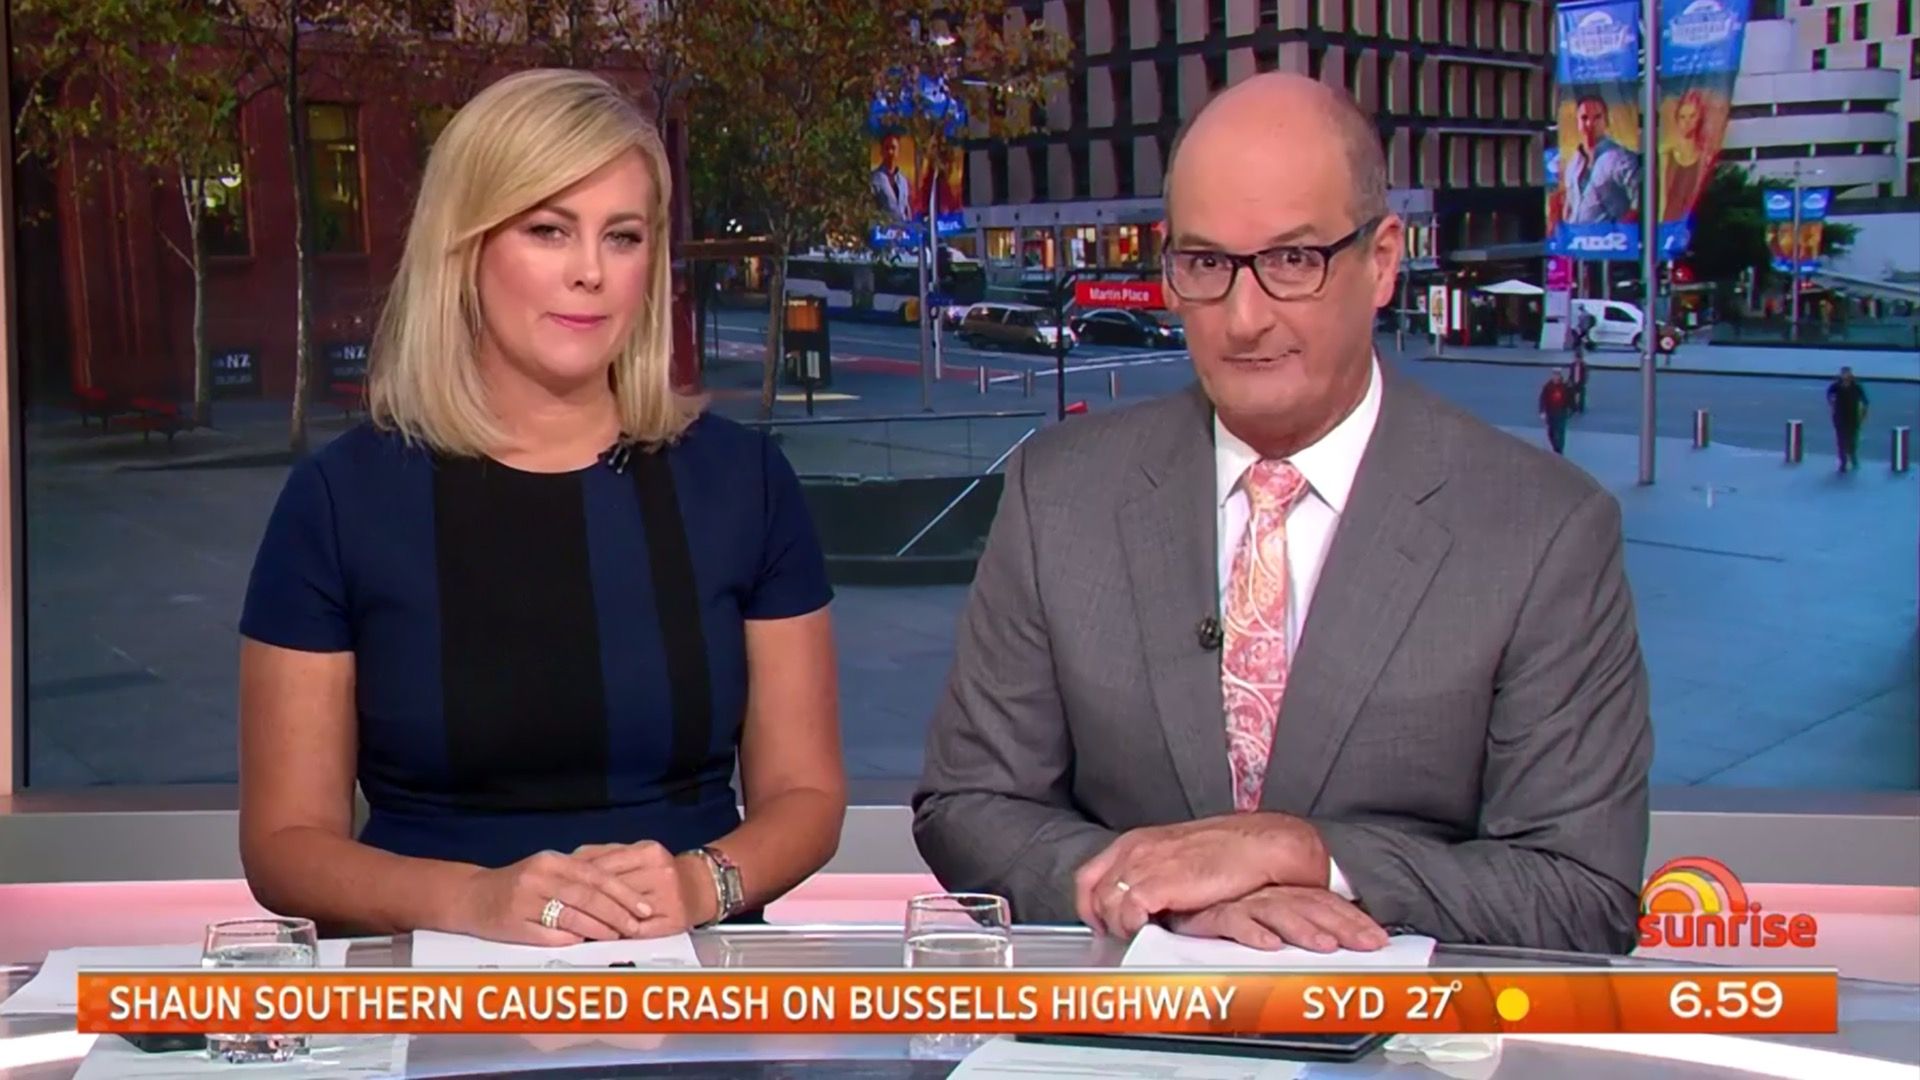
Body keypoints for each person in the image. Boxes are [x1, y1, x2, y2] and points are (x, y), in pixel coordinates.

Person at [914, 74, 1653, 956]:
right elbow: (971, 805)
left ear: (1382, 261)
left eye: (1294, 261)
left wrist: (1310, 857)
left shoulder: (1544, 529)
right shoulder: (1059, 494)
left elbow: (1581, 892)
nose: (1244, 318)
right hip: (1132, 1020)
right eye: (1206, 264)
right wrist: (1160, 900)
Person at [237, 70, 846, 945]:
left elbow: (807, 796)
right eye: (549, 230)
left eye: (622, 236)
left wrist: (702, 882)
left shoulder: (743, 483)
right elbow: (285, 846)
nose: (590, 272)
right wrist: (472, 901)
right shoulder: (339, 501)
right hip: (432, 977)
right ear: (467, 246)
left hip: (684, 972)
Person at [1561, 94, 1640, 226]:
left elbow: (1642, 198)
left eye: (1597, 117)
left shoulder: (1622, 158)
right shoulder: (1572, 164)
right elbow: (1570, 205)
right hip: (1577, 236)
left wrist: (1621, 229)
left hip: (1610, 236)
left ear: (1606, 121)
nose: (1590, 124)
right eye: (1584, 118)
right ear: (1577, 122)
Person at [1827, 366, 1869, 472]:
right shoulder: (1836, 386)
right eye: (1843, 373)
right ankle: (1843, 462)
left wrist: (1863, 415)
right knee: (1841, 441)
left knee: (1852, 440)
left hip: (1853, 418)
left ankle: (1852, 456)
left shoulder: (1856, 387)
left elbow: (1865, 401)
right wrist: (1832, 404)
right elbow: (1829, 396)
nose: (1845, 376)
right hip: (1840, 417)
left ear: (1850, 374)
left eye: (1847, 373)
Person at [871, 134, 912, 222]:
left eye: (893, 148)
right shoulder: (874, 179)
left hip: (903, 228)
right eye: (887, 148)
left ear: (898, 151)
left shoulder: (903, 180)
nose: (890, 152)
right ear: (881, 151)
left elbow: (906, 209)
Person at [1541, 370, 1574, 454]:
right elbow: (1543, 399)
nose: (1555, 377)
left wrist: (1571, 409)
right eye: (1554, 375)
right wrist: (1542, 411)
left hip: (1561, 411)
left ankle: (1560, 450)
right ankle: (1556, 447)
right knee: (1551, 432)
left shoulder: (1565, 386)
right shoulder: (1548, 386)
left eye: (1557, 375)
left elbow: (1570, 398)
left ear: (1560, 376)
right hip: (1551, 412)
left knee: (1561, 431)